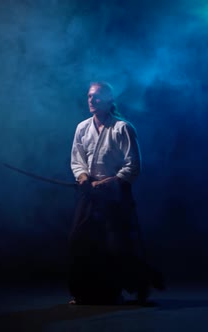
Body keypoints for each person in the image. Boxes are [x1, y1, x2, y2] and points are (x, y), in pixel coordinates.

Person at [68, 81, 164, 305]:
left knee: (116, 246)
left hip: (115, 194)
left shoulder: (122, 128)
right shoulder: (82, 128)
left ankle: (135, 286)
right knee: (79, 241)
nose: (92, 100)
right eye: (90, 96)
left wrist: (112, 181)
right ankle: (83, 292)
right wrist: (83, 178)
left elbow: (133, 165)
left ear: (110, 100)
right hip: (90, 194)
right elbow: (77, 160)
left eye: (97, 96)